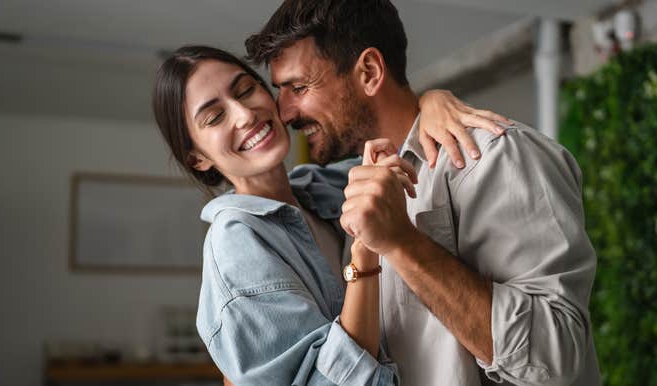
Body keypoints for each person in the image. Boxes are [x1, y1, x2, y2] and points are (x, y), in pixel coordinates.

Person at [245, 0, 602, 385]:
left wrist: (403, 243)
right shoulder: (351, 188)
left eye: (299, 87)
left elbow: (554, 361)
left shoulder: (495, 156)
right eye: (281, 91)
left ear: (369, 72)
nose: (284, 113)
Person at [152, 46, 506, 385]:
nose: (245, 115)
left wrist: (430, 102)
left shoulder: (322, 187)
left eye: (245, 90)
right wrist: (365, 250)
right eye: (215, 117)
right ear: (197, 158)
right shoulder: (236, 244)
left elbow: (403, 141)